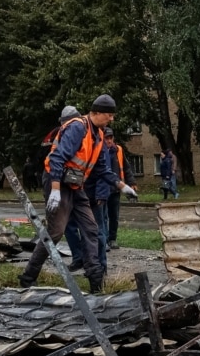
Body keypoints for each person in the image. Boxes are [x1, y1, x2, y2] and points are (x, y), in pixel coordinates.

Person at [20, 95, 138, 294]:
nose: (111, 119)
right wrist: (55, 191)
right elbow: (57, 158)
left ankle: (96, 284)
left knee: (91, 229)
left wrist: (122, 186)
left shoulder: (99, 137)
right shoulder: (77, 128)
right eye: (109, 115)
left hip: (75, 185)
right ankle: (27, 278)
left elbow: (102, 169)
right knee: (56, 232)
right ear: (97, 112)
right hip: (57, 182)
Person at [42, 105, 87, 272]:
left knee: (73, 226)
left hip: (72, 183)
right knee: (66, 226)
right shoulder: (72, 130)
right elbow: (56, 159)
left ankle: (83, 260)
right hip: (65, 182)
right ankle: (79, 258)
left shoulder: (75, 129)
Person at [105, 129, 135, 250]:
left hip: (116, 189)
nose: (109, 141)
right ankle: (104, 240)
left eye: (111, 138)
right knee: (103, 217)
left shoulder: (118, 150)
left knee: (114, 216)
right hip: (103, 189)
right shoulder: (99, 151)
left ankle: (112, 239)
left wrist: (131, 182)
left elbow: (126, 167)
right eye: (107, 138)